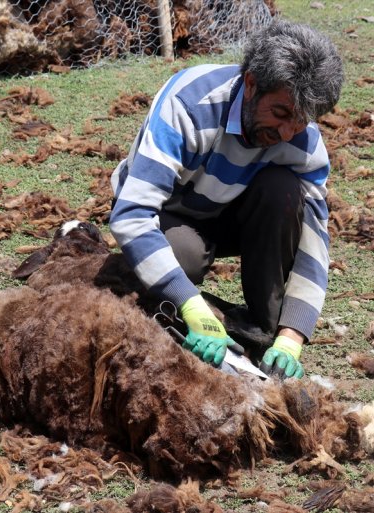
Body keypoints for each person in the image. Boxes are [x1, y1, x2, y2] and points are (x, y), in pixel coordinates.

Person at [108, 20, 343, 378]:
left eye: (300, 121)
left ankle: (264, 327)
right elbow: (132, 214)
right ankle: (185, 302)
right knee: (182, 255)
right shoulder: (189, 104)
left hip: (230, 213)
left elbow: (314, 241)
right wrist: (192, 306)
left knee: (284, 190)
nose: (285, 133)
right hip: (169, 214)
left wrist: (292, 336)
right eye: (279, 114)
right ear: (250, 84)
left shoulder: (302, 140)